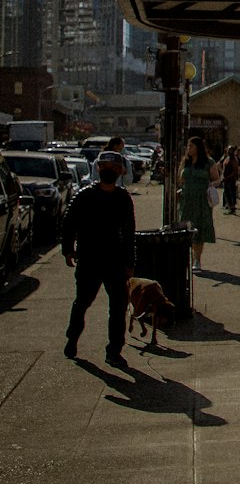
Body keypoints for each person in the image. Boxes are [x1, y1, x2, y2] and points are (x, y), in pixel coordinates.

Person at [62, 150, 135, 368]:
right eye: (105, 168)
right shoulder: (85, 196)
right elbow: (68, 223)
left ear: (120, 171)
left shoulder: (123, 199)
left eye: (113, 168)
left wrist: (130, 263)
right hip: (89, 259)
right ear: (98, 169)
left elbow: (130, 233)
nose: (109, 171)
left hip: (115, 260)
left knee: (118, 306)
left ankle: (114, 350)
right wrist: (68, 249)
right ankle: (72, 340)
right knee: (82, 302)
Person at [177, 135, 220, 274]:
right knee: (185, 227)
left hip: (201, 200)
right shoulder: (186, 161)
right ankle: (184, 258)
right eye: (188, 146)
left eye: (191, 146)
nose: (188, 149)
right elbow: (181, 178)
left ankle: (197, 259)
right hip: (186, 199)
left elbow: (216, 179)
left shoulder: (208, 162)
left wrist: (209, 186)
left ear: (198, 147)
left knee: (199, 229)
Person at [221, 145, 240, 214]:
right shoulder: (227, 158)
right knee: (227, 193)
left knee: (231, 193)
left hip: (231, 179)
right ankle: (229, 207)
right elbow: (223, 167)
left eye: (230, 150)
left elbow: (234, 171)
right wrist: (223, 176)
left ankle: (232, 208)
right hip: (225, 179)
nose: (229, 151)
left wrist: (227, 177)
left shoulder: (234, 159)